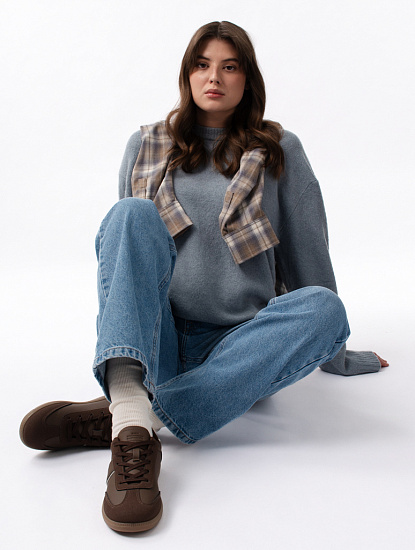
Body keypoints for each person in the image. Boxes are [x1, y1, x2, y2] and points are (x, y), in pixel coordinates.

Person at [19, 21, 388, 534]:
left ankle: (132, 416)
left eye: (229, 67)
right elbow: (126, 263)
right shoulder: (146, 144)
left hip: (240, 349)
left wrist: (336, 352)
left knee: (326, 308)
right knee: (130, 215)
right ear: (187, 74)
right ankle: (134, 408)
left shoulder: (280, 149)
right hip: (161, 341)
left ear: (247, 79)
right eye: (202, 64)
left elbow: (309, 251)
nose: (214, 77)